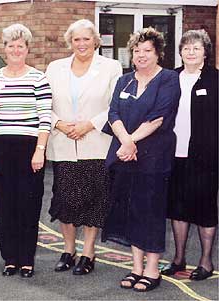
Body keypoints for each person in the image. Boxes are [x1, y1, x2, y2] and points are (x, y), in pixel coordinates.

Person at [102, 27, 180, 292]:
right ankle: (136, 267)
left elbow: (159, 117)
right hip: (126, 155)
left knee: (151, 211)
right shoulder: (124, 81)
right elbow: (113, 113)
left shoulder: (168, 79)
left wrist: (130, 141)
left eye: (147, 50)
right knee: (131, 210)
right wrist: (126, 141)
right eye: (137, 51)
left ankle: (152, 268)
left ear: (158, 53)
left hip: (154, 157)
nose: (141, 55)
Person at [45, 19, 122, 275]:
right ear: (70, 42)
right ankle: (68, 250)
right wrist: (59, 124)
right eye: (76, 39)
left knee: (94, 202)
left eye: (86, 39)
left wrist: (90, 124)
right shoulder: (55, 68)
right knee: (65, 201)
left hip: (96, 144)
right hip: (64, 143)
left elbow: (114, 106)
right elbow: (44, 103)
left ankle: (88, 252)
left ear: (95, 41)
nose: (81, 44)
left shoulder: (111, 67)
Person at [0, 24, 52, 278]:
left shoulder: (38, 78)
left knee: (28, 205)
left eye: (20, 46)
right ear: (5, 48)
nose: (15, 50)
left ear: (27, 49)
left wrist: (40, 150)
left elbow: (45, 118)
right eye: (11, 45)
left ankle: (26, 259)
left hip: (30, 147)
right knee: (5, 204)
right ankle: (10, 258)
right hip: (1, 147)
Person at [162, 29, 218, 281]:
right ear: (180, 51)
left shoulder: (215, 80)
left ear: (205, 51)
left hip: (205, 158)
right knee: (177, 208)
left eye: (196, 48)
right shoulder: (170, 77)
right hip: (174, 154)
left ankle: (206, 261)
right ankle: (179, 258)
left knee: (205, 209)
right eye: (186, 48)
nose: (191, 52)